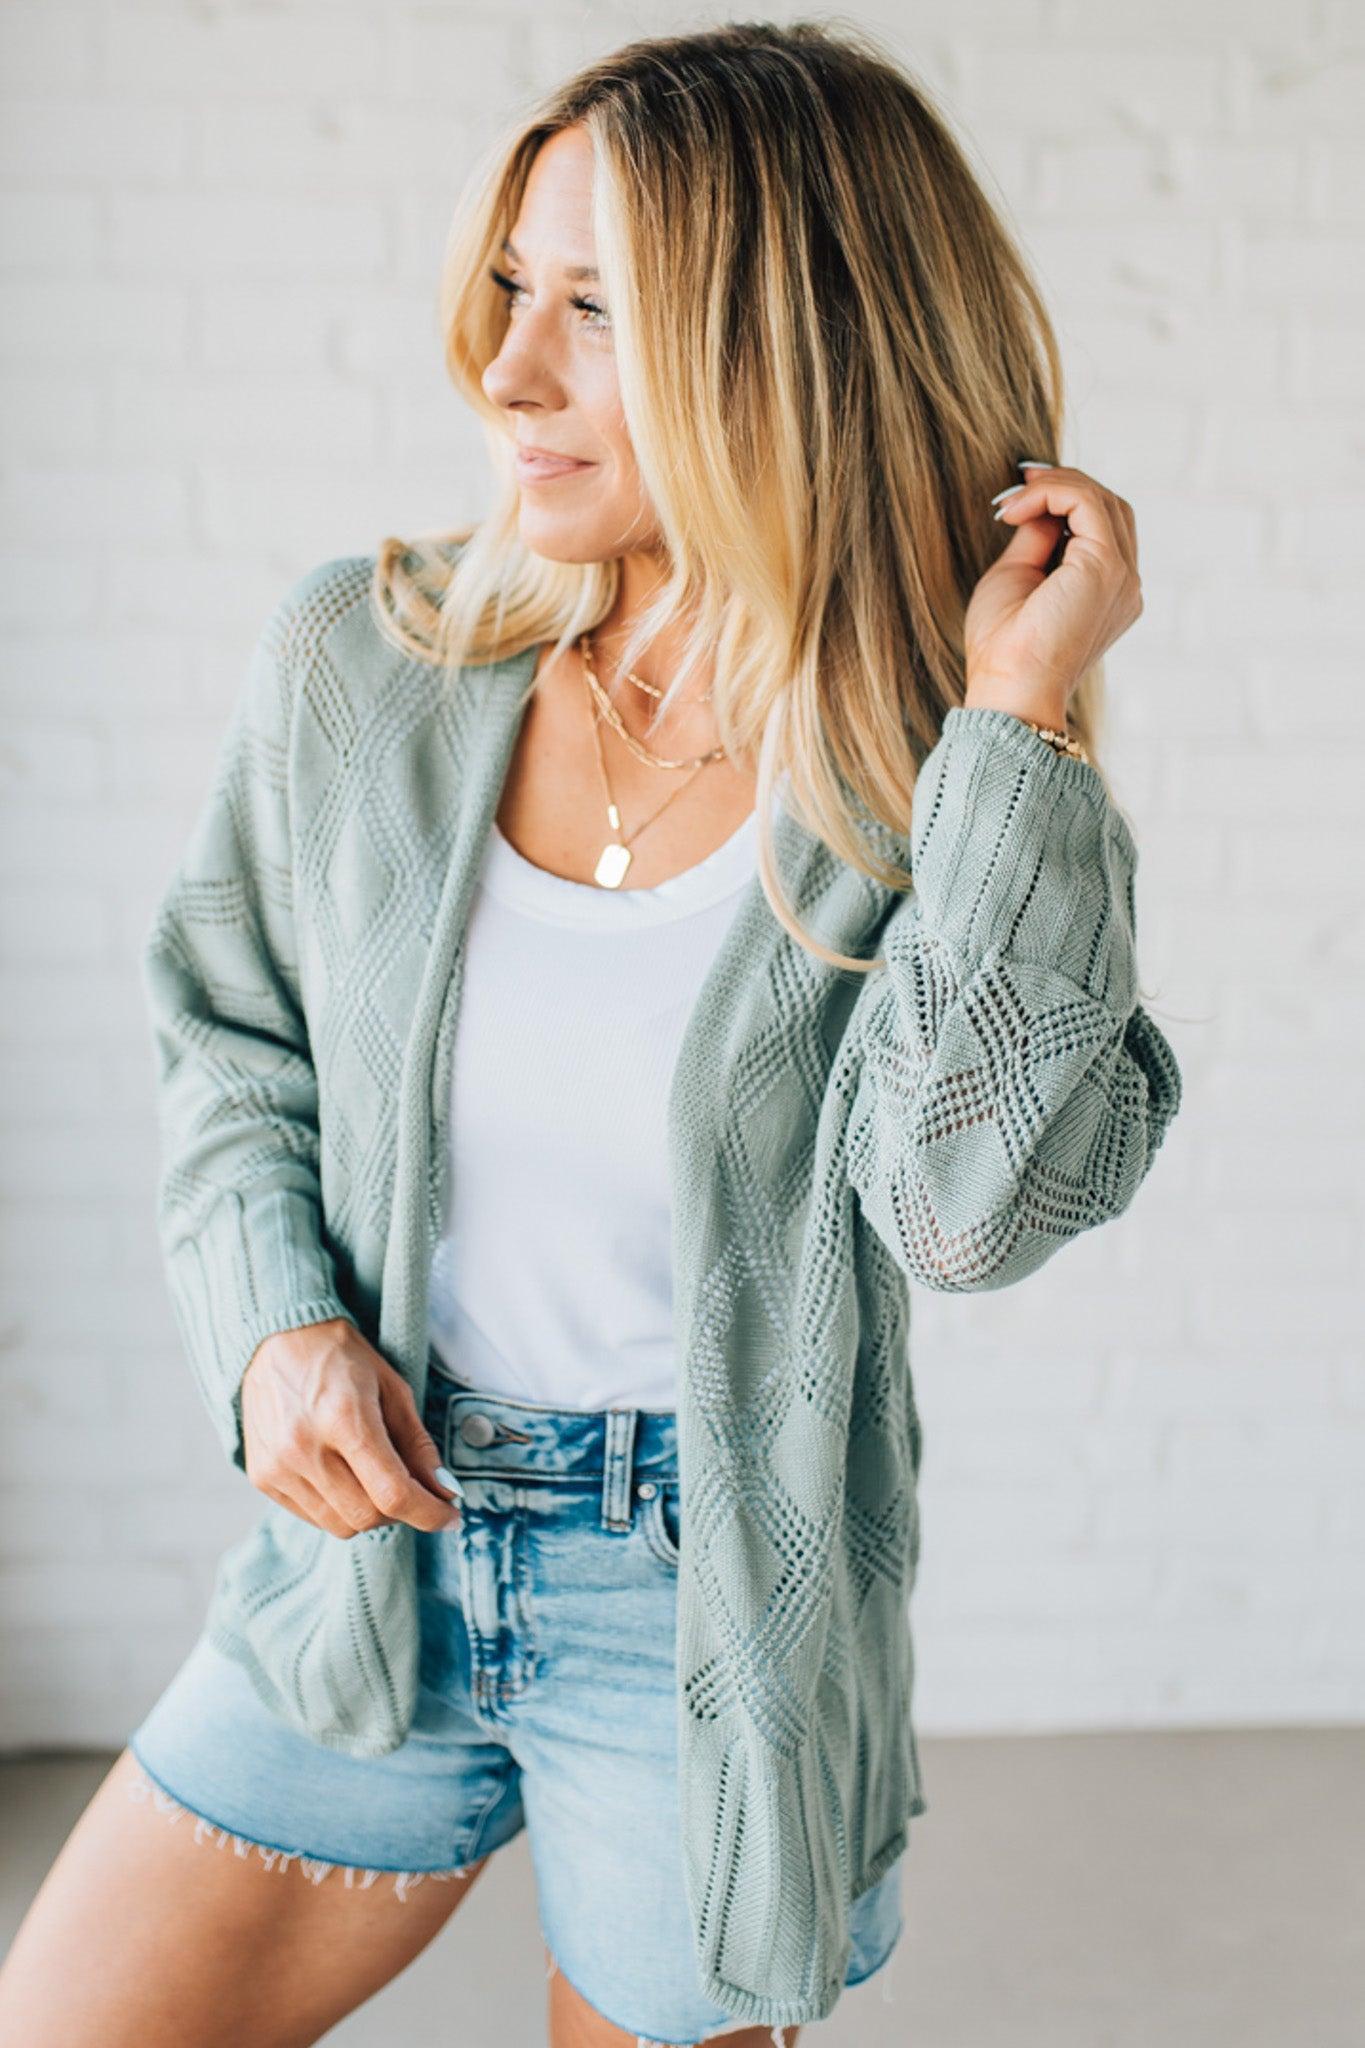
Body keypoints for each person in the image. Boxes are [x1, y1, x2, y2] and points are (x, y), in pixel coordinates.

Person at [0, 20, 1183, 2048]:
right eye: (508, 293)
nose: (504, 372)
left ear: (784, 348)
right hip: (366, 1557)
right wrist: (272, 1326)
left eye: (593, 315)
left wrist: (1019, 730)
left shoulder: (939, 780)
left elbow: (962, 1208)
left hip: (703, 1607)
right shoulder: (360, 667)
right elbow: (232, 1044)